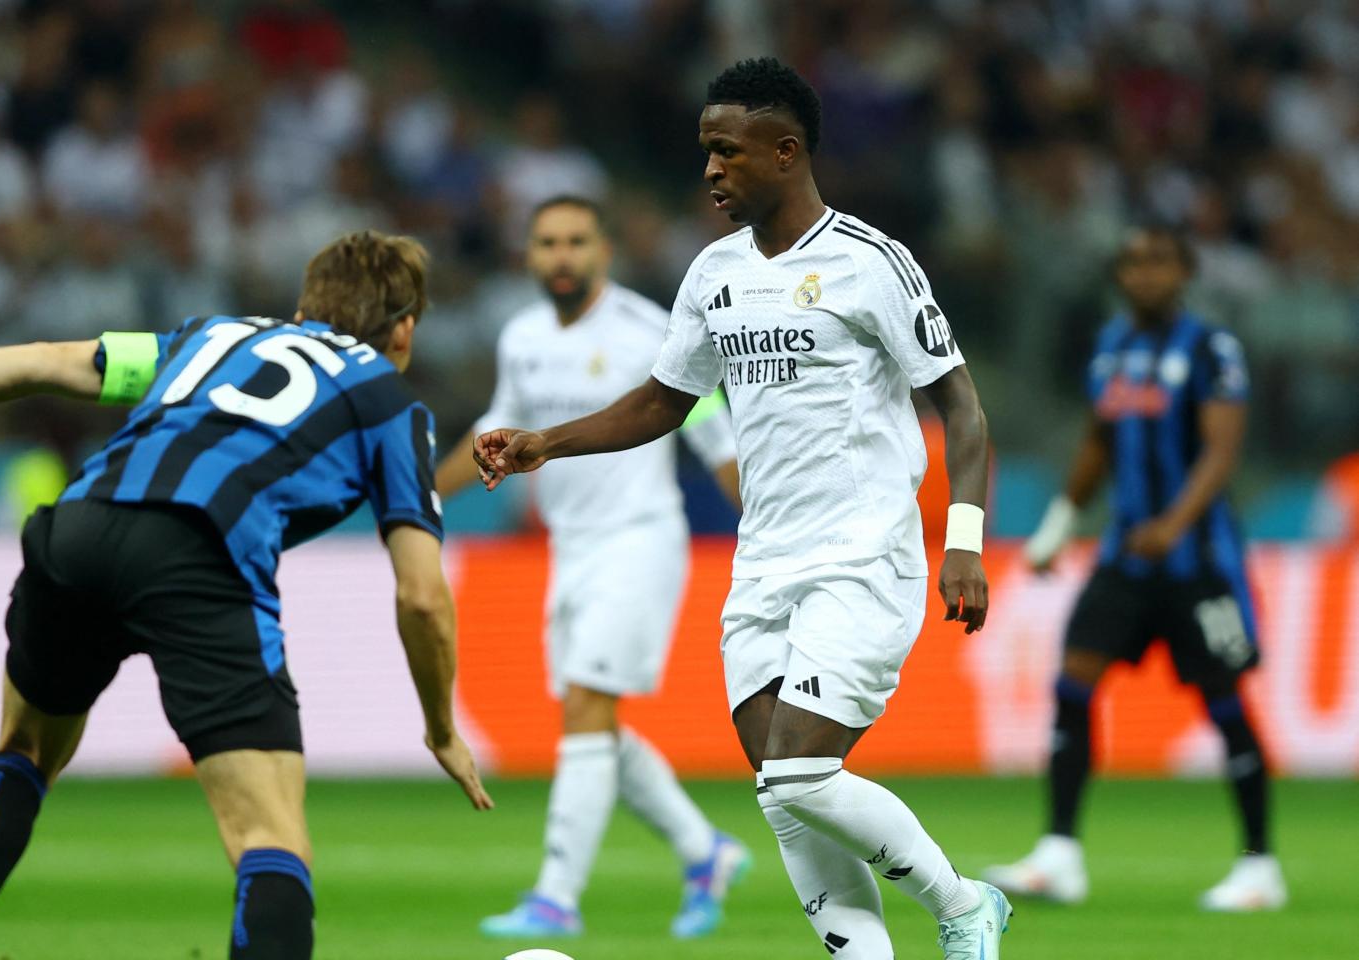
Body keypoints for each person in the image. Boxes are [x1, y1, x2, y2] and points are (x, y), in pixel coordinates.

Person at [0, 230, 493, 960]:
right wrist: (440, 726)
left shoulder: (210, 337)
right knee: (267, 832)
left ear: (306, 303)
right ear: (405, 327)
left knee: (25, 747)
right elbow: (420, 596)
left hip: (81, 526)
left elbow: (49, 361)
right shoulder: (391, 404)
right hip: (198, 549)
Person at [473, 58, 1011, 959]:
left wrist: (965, 540)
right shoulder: (713, 274)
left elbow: (962, 406)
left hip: (864, 554)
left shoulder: (869, 262)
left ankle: (962, 907)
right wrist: (542, 443)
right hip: (762, 562)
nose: (711, 171)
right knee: (781, 787)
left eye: (727, 152)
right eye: (706, 154)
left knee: (801, 771)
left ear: (786, 151)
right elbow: (661, 404)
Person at [434, 195, 748, 940]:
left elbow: (710, 433)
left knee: (585, 706)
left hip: (639, 539)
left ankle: (555, 896)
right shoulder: (522, 337)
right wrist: (416, 494)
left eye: (577, 240)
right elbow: (494, 432)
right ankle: (705, 853)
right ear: (530, 255)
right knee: (593, 721)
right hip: (570, 548)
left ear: (604, 249)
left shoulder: (647, 330)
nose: (563, 255)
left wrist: (767, 519)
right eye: (547, 242)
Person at [985, 226, 1285, 912]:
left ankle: (1260, 865)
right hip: (1126, 557)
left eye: (1157, 262)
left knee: (1225, 700)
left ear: (1185, 271)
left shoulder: (1212, 349)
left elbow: (1220, 451)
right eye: (1130, 263)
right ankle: (1059, 853)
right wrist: (1061, 523)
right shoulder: (1113, 347)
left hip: (1198, 562)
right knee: (1072, 682)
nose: (1142, 274)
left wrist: (1175, 525)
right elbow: (1098, 440)